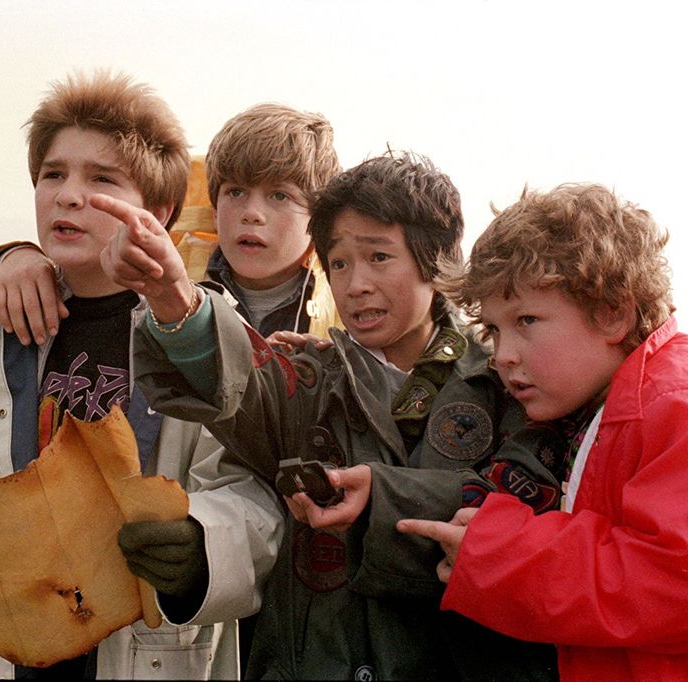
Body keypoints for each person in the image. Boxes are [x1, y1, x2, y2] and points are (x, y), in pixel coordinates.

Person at [0, 70, 270, 680]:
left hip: (148, 655)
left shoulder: (204, 332)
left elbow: (250, 494)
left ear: (157, 210)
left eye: (102, 179)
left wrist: (205, 547)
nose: (68, 195)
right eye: (53, 174)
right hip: (6, 655)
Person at [98, 152, 566, 680]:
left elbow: (530, 511)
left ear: (434, 260)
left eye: (379, 257)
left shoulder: (509, 379)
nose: (355, 283)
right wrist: (171, 294)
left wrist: (382, 499)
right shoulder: (308, 379)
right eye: (338, 263)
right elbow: (236, 381)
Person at [0, 102, 344, 677]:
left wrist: (203, 545)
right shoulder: (174, 299)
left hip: (269, 607)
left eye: (280, 195)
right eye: (233, 192)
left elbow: (240, 485)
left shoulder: (333, 321)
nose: (251, 214)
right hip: (32, 634)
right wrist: (8, 260)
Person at [398, 183, 688, 680]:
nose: (503, 353)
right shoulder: (612, 404)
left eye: (526, 320)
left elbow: (683, 587)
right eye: (493, 330)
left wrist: (497, 556)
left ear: (613, 312)